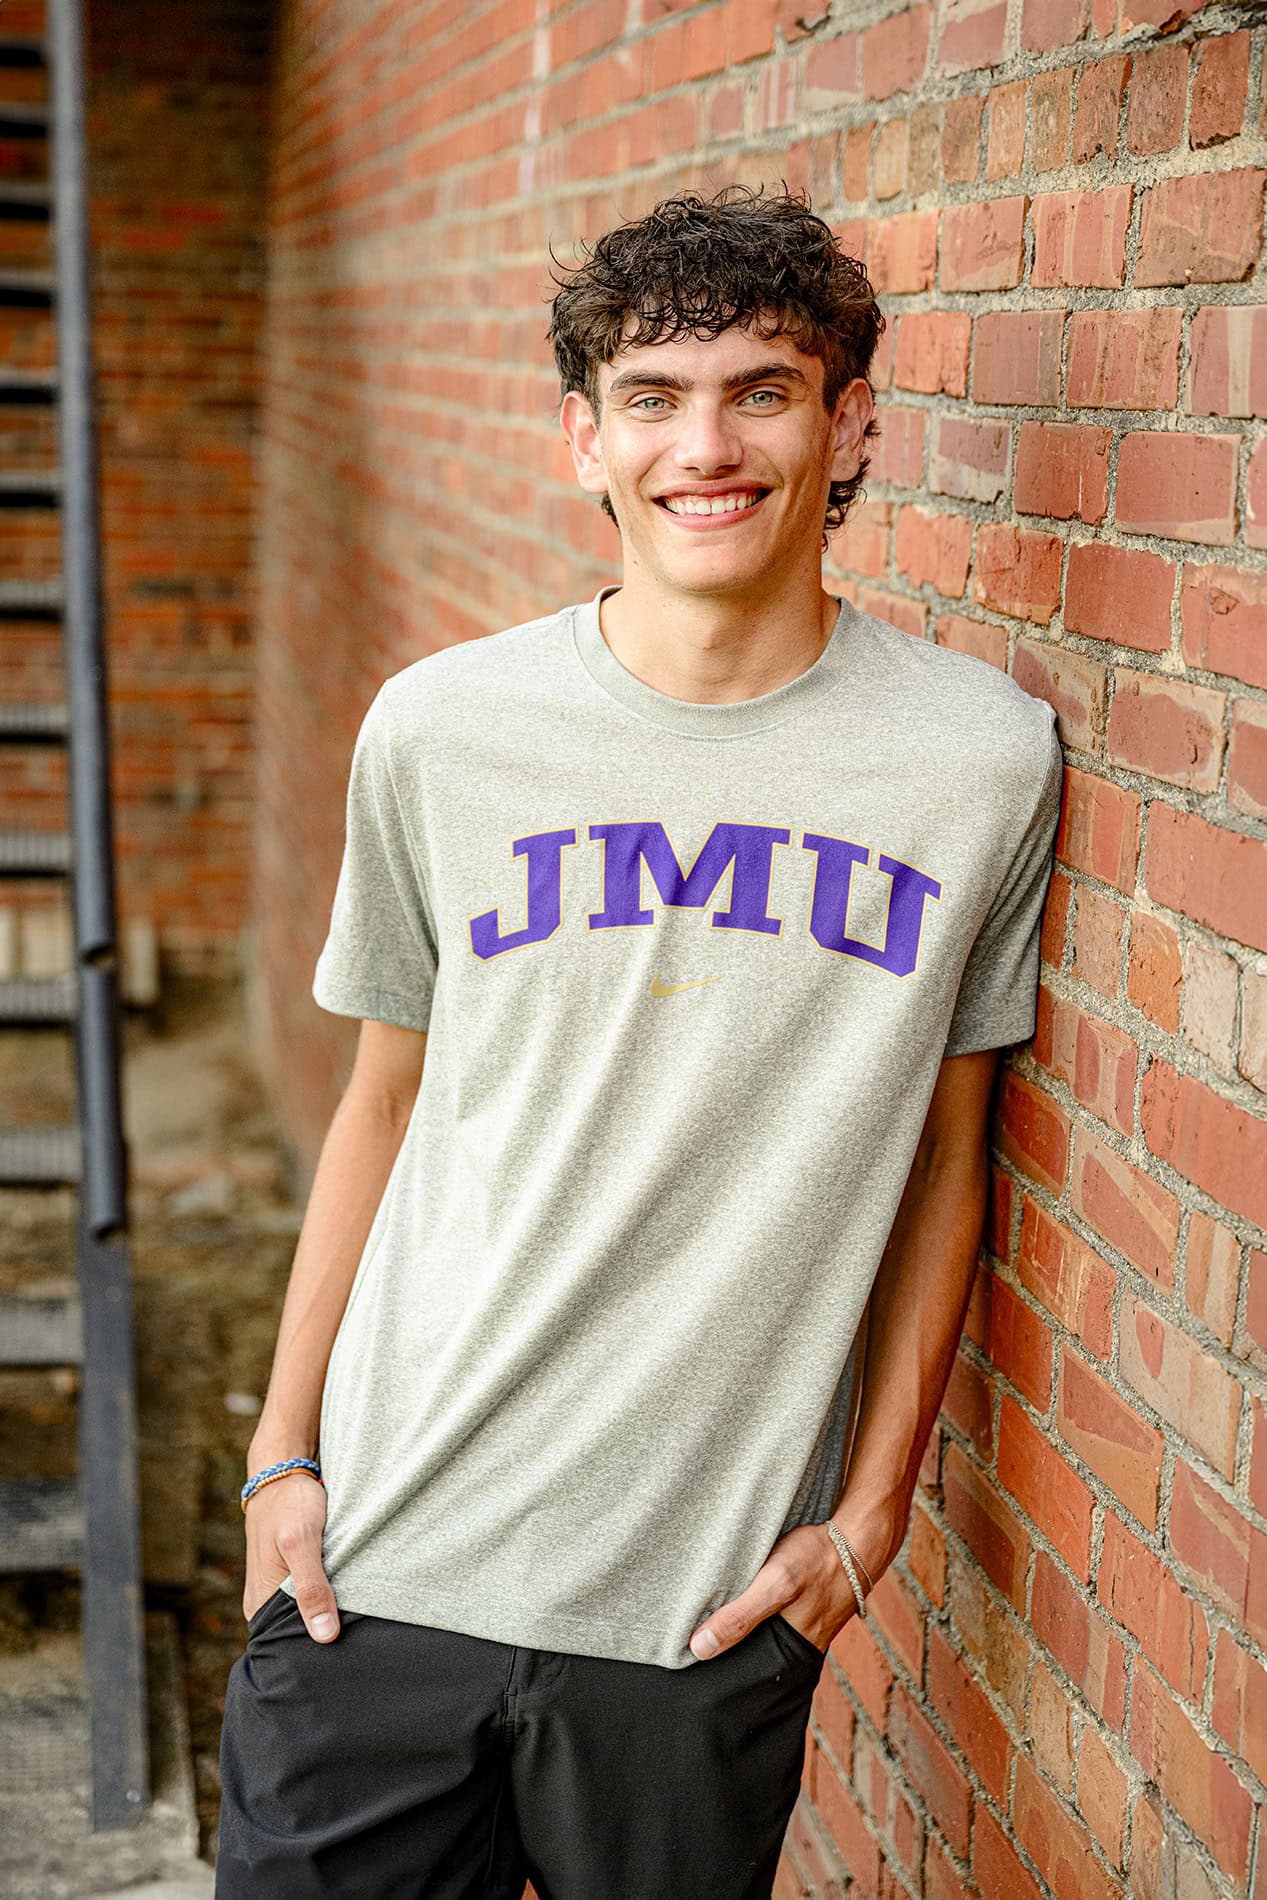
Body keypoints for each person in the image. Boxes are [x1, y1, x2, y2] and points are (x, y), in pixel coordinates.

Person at [215, 184, 1064, 1899]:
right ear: (581, 444)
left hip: (696, 1617)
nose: (709, 444)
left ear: (852, 428)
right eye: (653, 398)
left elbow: (946, 1165)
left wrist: (872, 1515)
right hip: (375, 1569)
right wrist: (279, 1458)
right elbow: (385, 1105)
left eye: (764, 388)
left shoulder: (981, 762)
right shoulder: (442, 731)